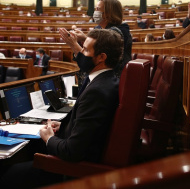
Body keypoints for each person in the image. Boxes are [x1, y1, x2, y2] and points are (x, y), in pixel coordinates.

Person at [0, 29, 123, 188]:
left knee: (7, 175)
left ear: (101, 57)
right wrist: (64, 125)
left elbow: (72, 152)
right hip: (74, 154)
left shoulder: (97, 91)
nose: (79, 54)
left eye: (85, 49)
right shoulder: (105, 80)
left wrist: (48, 138)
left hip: (71, 169)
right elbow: (86, 126)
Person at [59, 0, 132, 76]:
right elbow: (101, 44)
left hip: (111, 79)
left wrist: (73, 44)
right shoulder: (98, 28)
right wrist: (85, 38)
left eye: (98, 9)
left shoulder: (118, 32)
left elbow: (89, 63)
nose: (95, 12)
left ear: (108, 13)